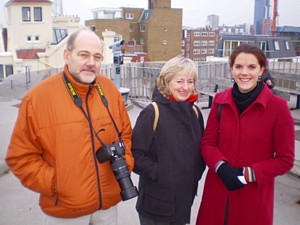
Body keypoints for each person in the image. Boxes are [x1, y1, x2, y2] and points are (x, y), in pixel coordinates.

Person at [5, 28, 135, 225]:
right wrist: (58, 182)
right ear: (67, 55)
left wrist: (126, 162)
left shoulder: (108, 89)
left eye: (97, 57)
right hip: (65, 212)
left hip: (107, 208)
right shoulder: (38, 98)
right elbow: (20, 157)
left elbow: (126, 134)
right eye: (83, 55)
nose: (91, 63)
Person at [196, 43, 295, 225]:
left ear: (261, 70)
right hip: (218, 191)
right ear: (231, 69)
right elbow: (208, 143)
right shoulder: (220, 101)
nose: (244, 73)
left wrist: (247, 174)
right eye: (239, 66)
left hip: (252, 197)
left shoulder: (277, 107)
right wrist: (221, 167)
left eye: (251, 67)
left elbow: (285, 159)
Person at [132, 55, 206, 225]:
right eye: (179, 81)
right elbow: (136, 154)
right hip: (156, 204)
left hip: (183, 201)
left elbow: (199, 152)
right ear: (166, 82)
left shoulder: (195, 113)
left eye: (190, 81)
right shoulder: (152, 112)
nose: (185, 87)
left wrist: (194, 175)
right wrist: (161, 174)